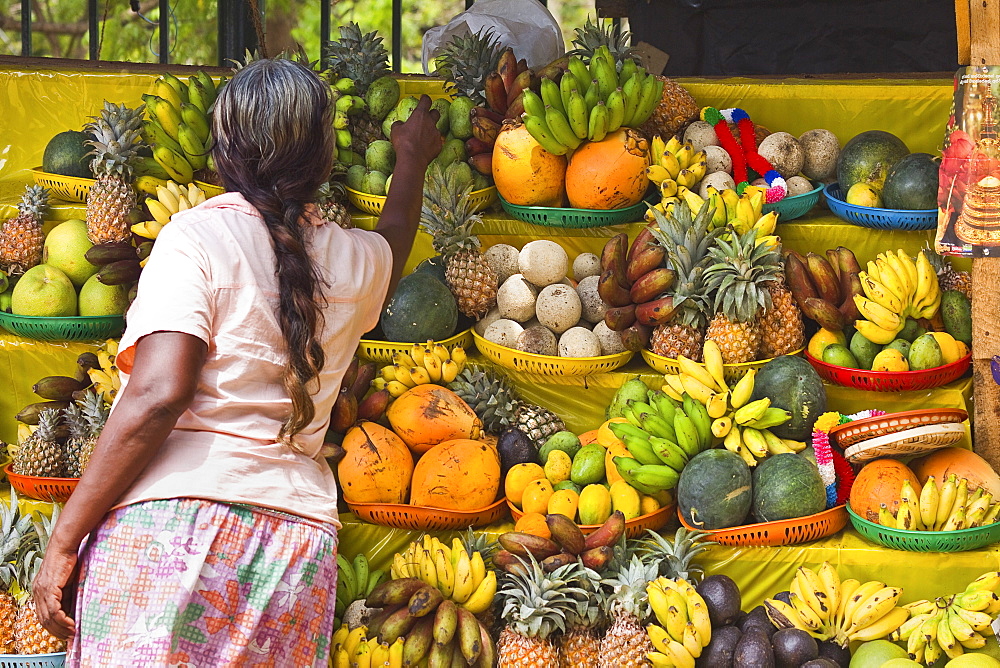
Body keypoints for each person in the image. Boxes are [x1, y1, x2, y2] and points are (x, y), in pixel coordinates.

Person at [33, 58, 443, 666]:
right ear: (324, 160)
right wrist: (410, 161)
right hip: (293, 547)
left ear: (223, 151)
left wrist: (65, 537)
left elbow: (157, 394)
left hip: (173, 531)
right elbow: (394, 238)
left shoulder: (193, 238)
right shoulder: (357, 263)